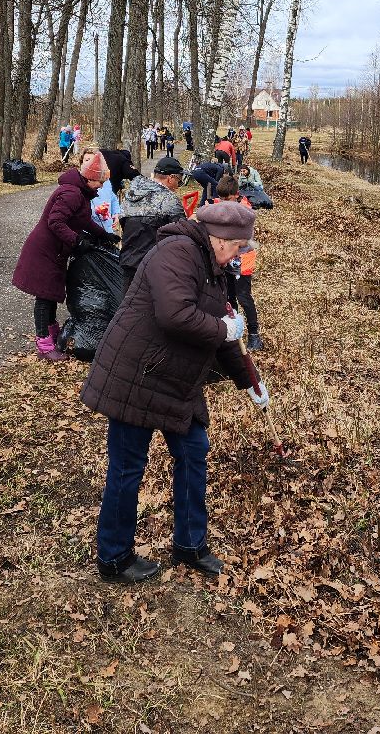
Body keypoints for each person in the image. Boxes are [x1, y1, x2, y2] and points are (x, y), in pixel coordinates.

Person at [81, 199, 270, 583]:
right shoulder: (177, 252)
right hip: (137, 376)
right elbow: (176, 315)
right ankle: (113, 557)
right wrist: (224, 329)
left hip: (176, 380)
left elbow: (224, 337)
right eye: (237, 248)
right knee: (128, 467)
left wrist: (250, 380)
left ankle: (189, 544)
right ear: (219, 239)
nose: (239, 256)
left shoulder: (214, 269)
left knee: (194, 451)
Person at [12, 152, 119, 361]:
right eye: (100, 182)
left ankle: (51, 335)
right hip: (45, 251)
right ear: (89, 178)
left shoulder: (80, 193)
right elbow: (55, 222)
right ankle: (44, 346)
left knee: (51, 294)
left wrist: (103, 235)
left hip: (56, 251)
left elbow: (83, 221)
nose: (101, 186)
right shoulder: (71, 194)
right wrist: (77, 241)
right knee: (44, 297)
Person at [119, 155, 187, 286]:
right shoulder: (169, 199)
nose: (178, 185)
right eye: (179, 180)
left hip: (128, 262)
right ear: (170, 178)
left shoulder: (131, 194)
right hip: (156, 266)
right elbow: (182, 232)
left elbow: (124, 225)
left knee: (129, 304)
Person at [215, 174, 262, 350]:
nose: (224, 202)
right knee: (229, 296)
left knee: (243, 296)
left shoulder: (245, 210)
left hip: (243, 259)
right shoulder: (223, 206)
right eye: (221, 199)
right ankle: (235, 330)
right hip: (227, 258)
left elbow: (241, 238)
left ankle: (255, 335)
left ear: (236, 194)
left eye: (227, 199)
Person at [81, 146, 120, 233]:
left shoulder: (105, 181)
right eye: (87, 160)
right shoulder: (79, 183)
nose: (90, 164)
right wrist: (95, 211)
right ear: (81, 162)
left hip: (106, 230)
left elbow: (113, 198)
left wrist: (116, 213)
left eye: (93, 160)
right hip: (88, 233)